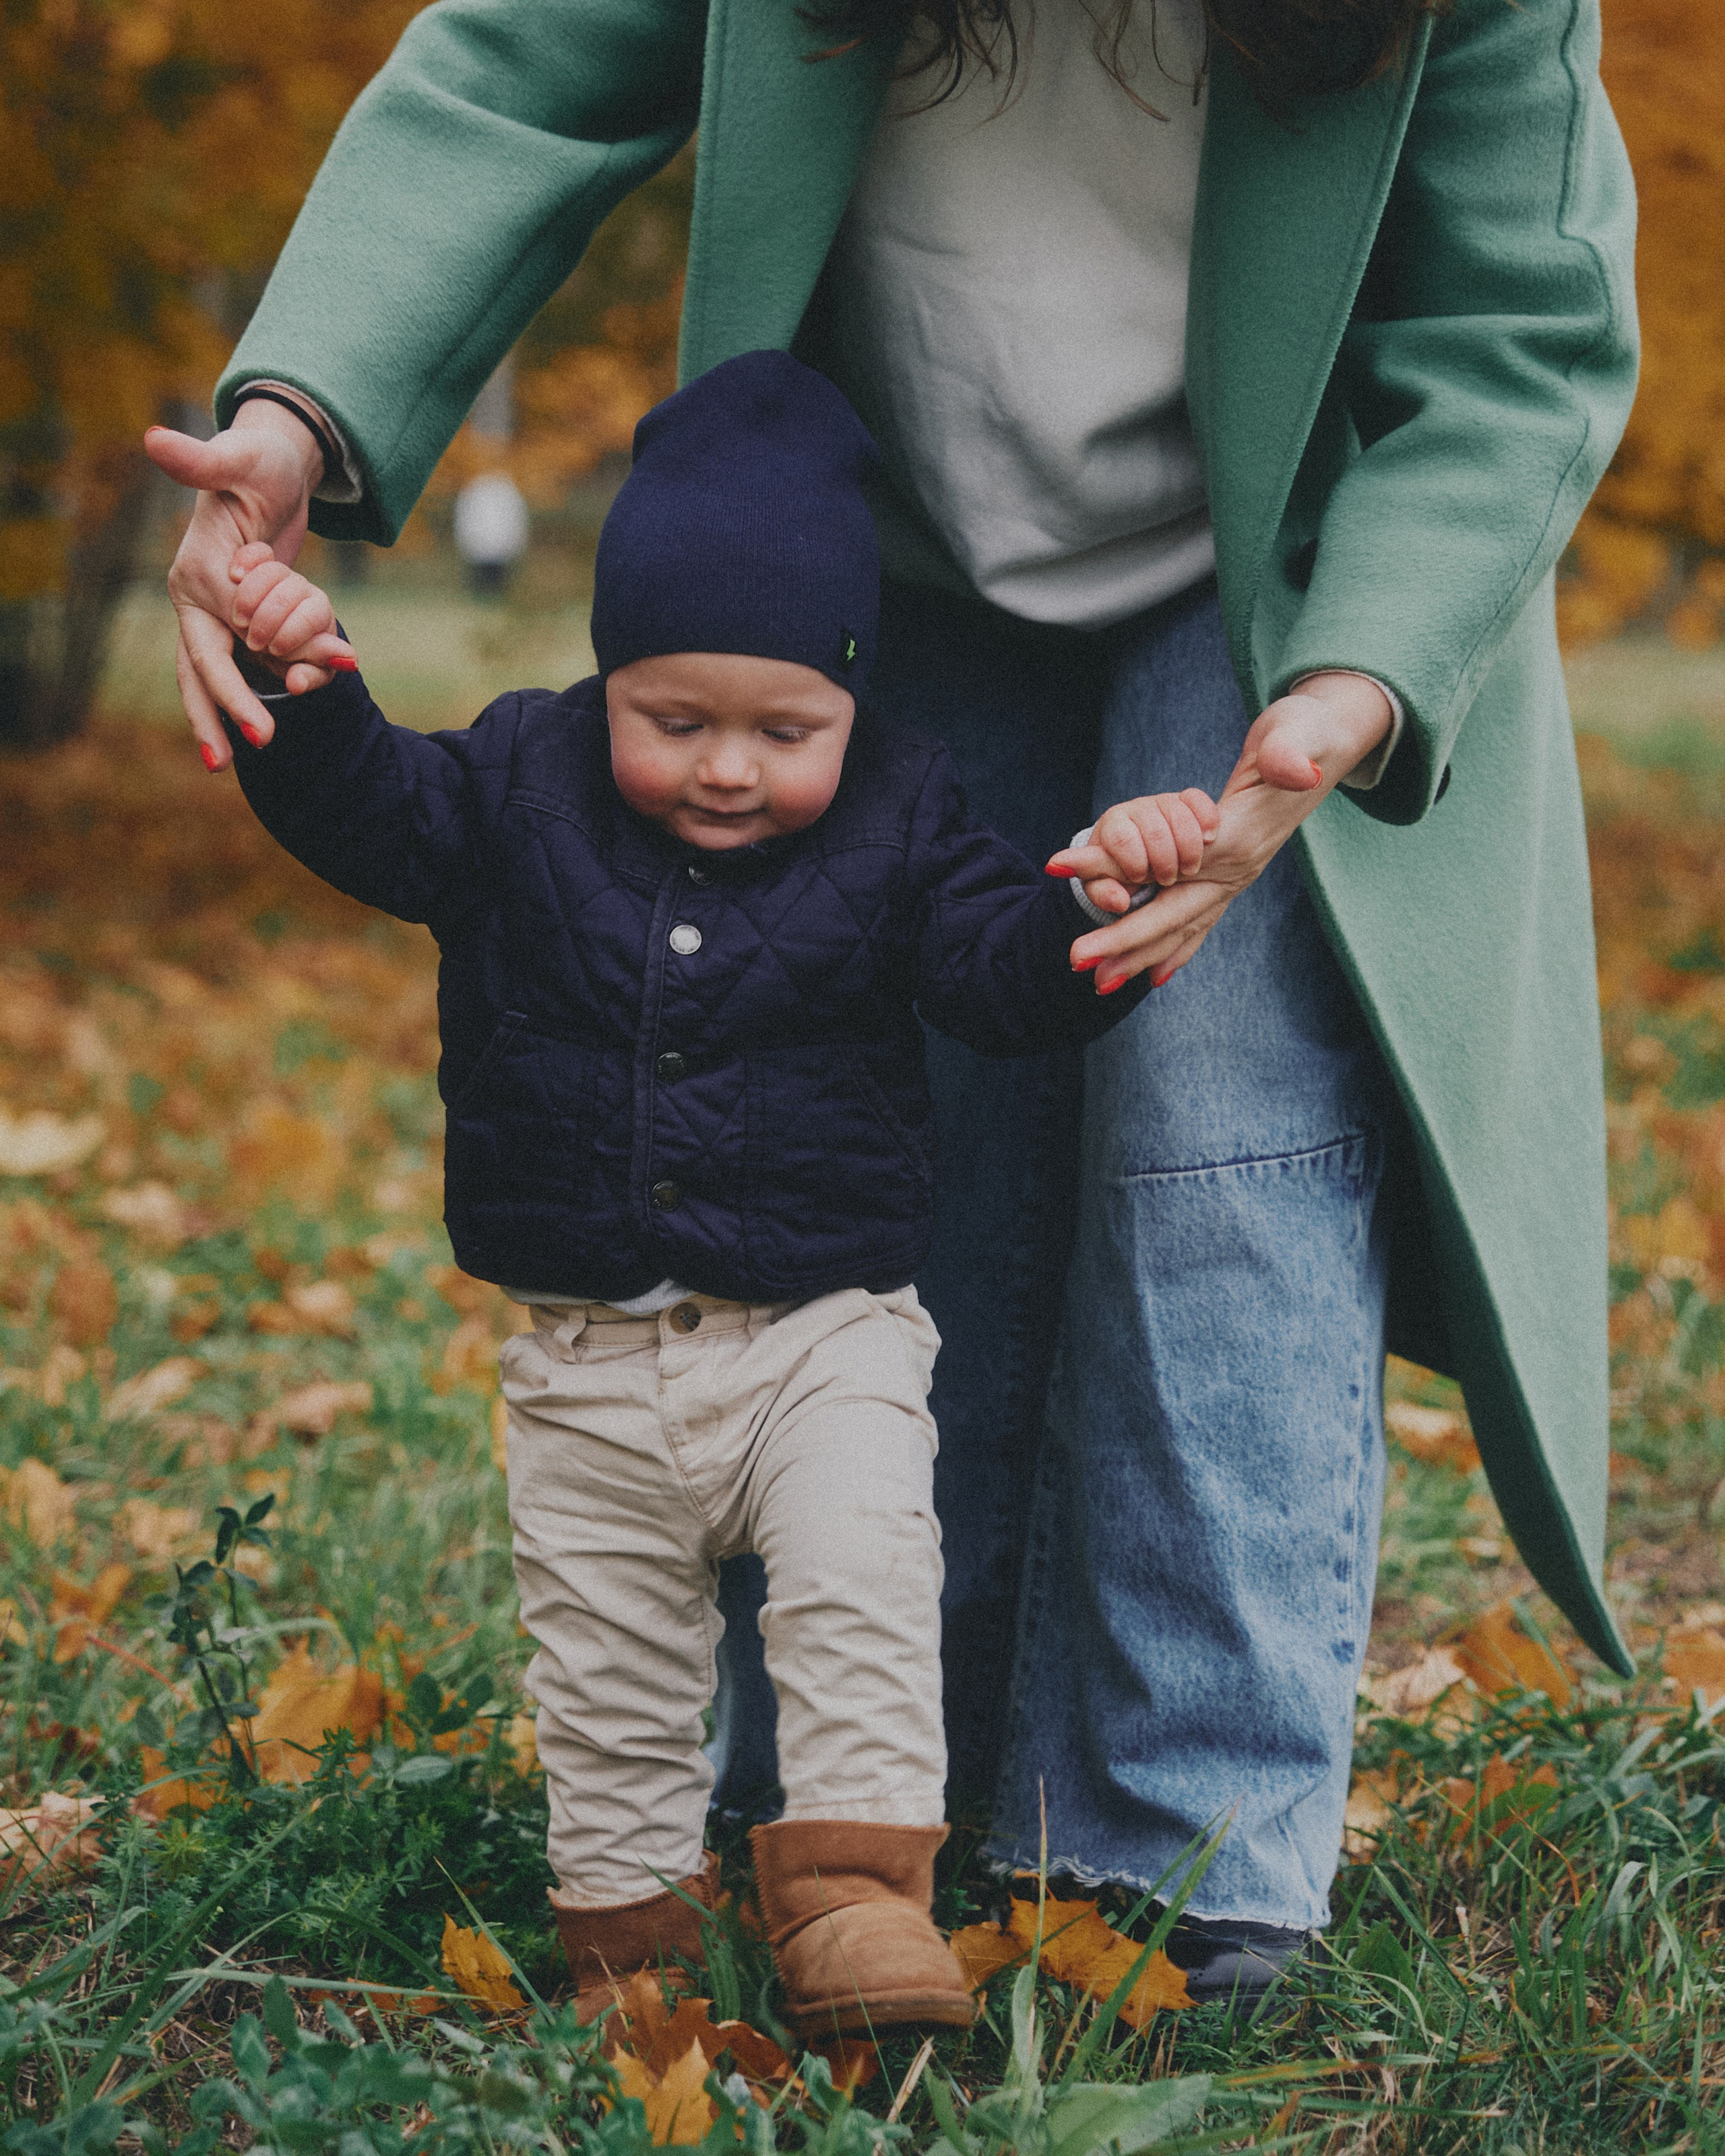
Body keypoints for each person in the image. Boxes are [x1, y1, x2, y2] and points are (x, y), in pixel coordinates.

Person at [147, 0, 1639, 2002]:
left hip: (1291, 572)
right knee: (872, 1104)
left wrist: (1356, 681)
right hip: (883, 547)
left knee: (1209, 1106)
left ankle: (1182, 1858)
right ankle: (855, 1817)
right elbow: (520, 68)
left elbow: (1520, 334)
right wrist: (298, 410)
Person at [184, 347, 1248, 2034]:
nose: (728, 766)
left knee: (858, 1596)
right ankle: (631, 1947)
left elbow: (994, 971)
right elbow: (377, 818)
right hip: (585, 1361)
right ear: (607, 673)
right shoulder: (518, 779)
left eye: (783, 729)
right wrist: (298, 687)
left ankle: (856, 1905)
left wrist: (1096, 914)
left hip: (826, 1337)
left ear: (850, 703)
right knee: (607, 1670)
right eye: (672, 721)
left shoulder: (902, 811)